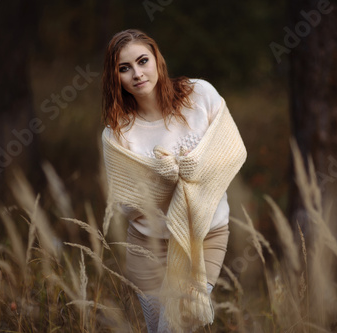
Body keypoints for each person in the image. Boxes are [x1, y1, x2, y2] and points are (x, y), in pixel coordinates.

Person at [101, 29, 246, 332]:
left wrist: (187, 170)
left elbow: (232, 153)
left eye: (143, 61)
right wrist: (164, 177)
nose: (137, 74)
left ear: (157, 60)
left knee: (176, 327)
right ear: (115, 77)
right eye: (124, 68)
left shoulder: (200, 95)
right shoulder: (117, 132)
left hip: (204, 238)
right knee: (158, 329)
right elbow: (127, 205)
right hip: (148, 246)